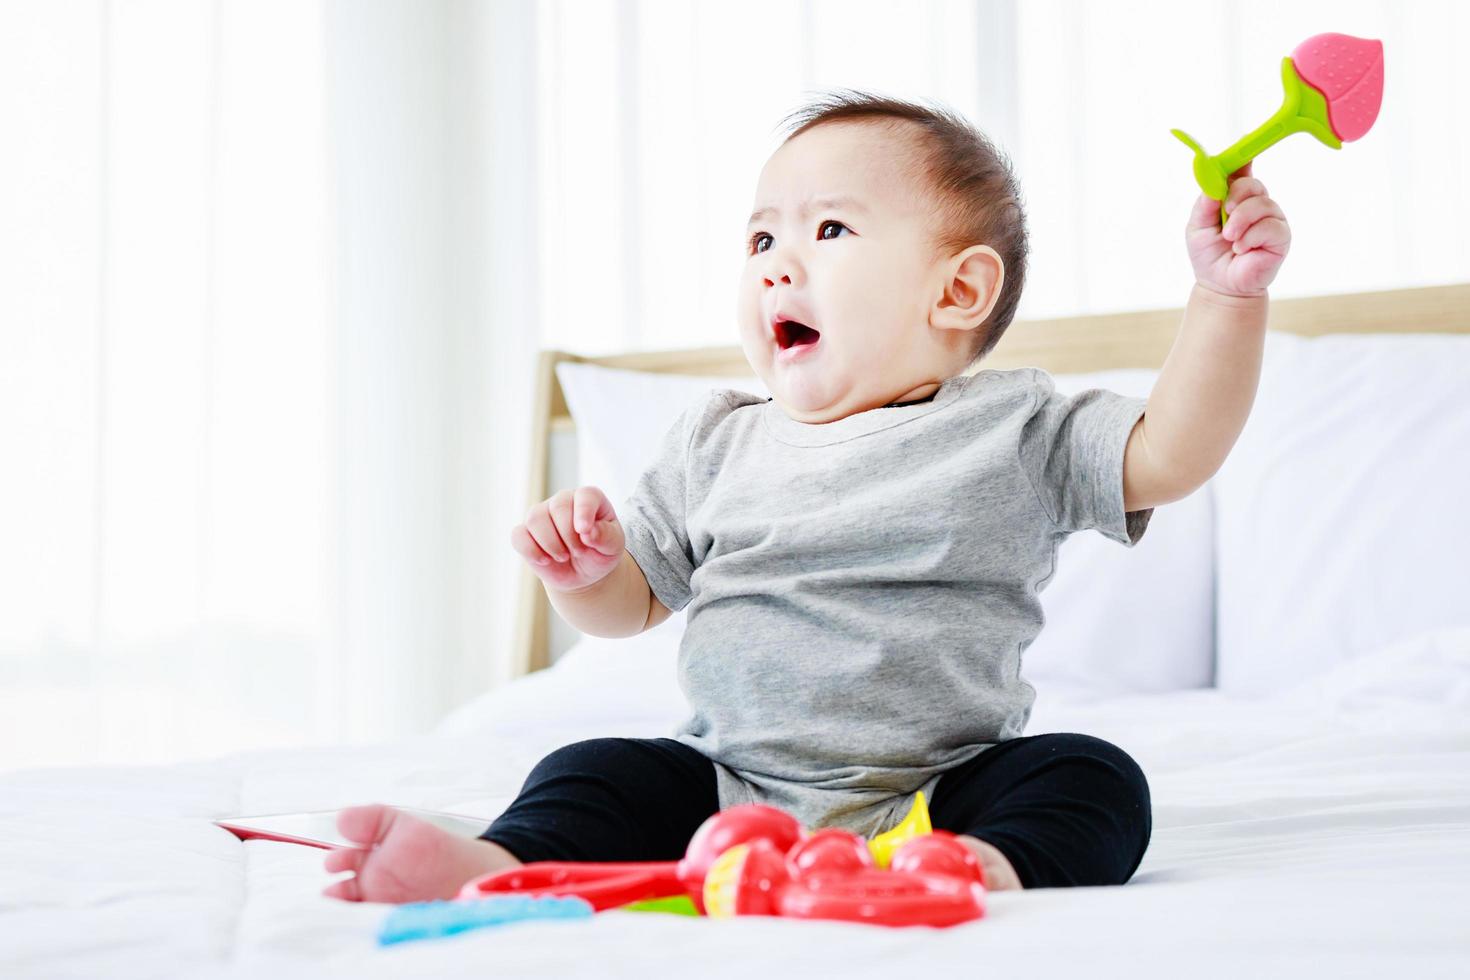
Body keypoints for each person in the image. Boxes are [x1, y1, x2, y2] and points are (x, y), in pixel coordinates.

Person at [322, 89, 1290, 903]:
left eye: (828, 229)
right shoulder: (717, 439)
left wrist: (1226, 299)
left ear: (957, 293)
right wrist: (586, 572)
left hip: (939, 789)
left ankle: (976, 869)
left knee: (1093, 778)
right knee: (594, 768)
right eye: (760, 237)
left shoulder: (1015, 426)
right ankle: (495, 864)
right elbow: (630, 606)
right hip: (723, 789)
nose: (777, 260)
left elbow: (1168, 453)